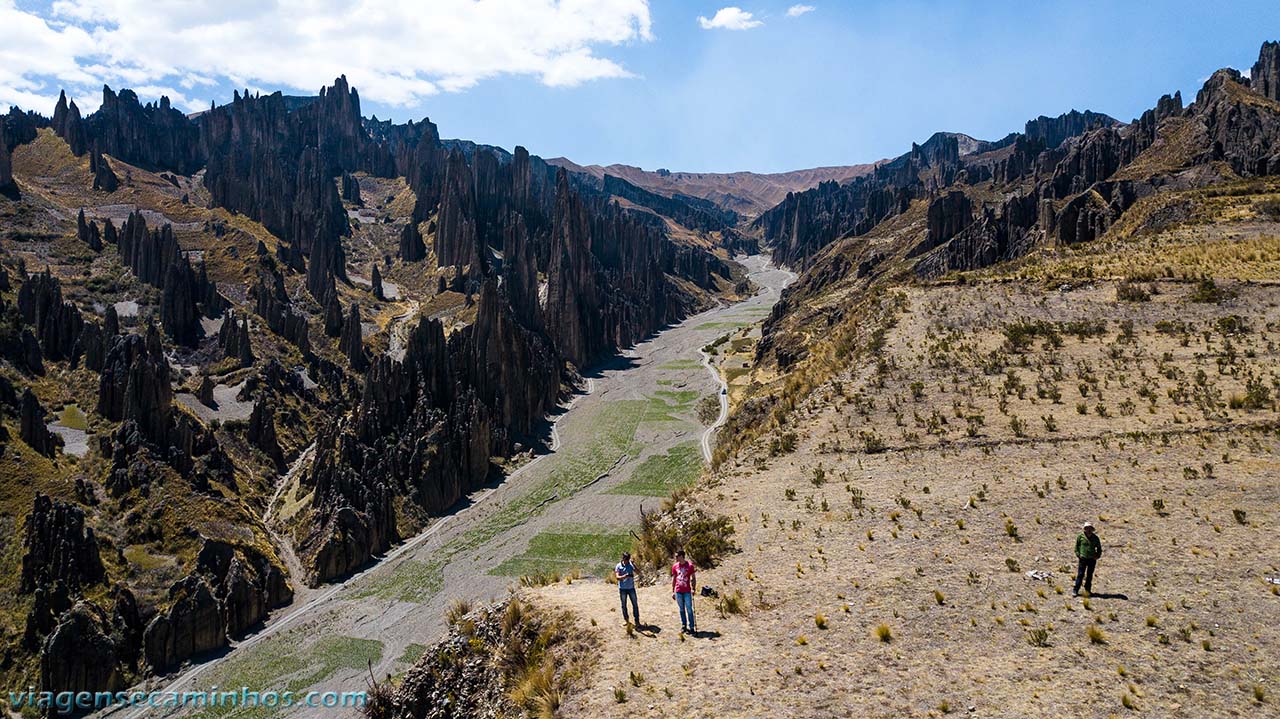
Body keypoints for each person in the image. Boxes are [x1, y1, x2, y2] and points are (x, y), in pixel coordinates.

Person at [671, 549, 697, 634]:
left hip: (687, 591)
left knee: (689, 609)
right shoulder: (675, 566)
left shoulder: (690, 566)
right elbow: (674, 578)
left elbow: (693, 578)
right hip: (678, 590)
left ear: (682, 556)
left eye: (677, 556)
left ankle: (692, 626)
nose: (676, 558)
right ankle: (684, 625)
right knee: (681, 609)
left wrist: (693, 588)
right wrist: (673, 591)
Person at [1073, 521, 1103, 596]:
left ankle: (1087, 591)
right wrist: (1078, 554)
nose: (1088, 530)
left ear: (1092, 529)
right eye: (1087, 528)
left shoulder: (1095, 538)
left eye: (1090, 528)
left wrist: (1097, 555)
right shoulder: (1080, 536)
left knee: (1089, 575)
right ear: (1085, 529)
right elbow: (1077, 546)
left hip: (1092, 559)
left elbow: (1099, 548)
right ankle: (1075, 590)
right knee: (1080, 574)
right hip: (1083, 559)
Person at [615, 552, 640, 626]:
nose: (627, 561)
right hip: (622, 589)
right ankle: (626, 620)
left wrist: (634, 565)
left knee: (635, 604)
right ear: (623, 558)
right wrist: (625, 576)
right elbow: (617, 577)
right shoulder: (618, 566)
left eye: (628, 559)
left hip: (631, 588)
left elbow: (638, 572)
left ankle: (637, 621)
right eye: (625, 559)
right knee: (623, 605)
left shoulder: (631, 565)